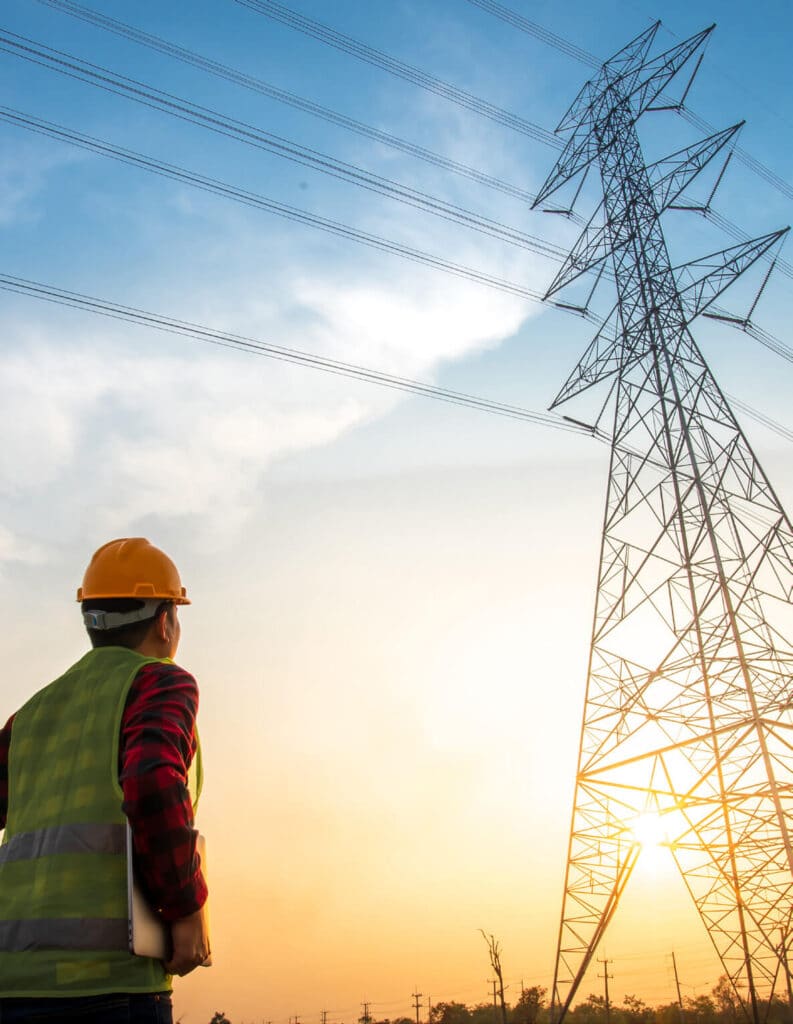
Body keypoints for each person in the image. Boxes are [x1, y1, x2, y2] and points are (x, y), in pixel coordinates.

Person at [0, 538, 209, 1023]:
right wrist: (185, 908)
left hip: (12, 986)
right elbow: (154, 781)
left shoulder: (31, 715)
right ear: (165, 621)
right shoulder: (159, 681)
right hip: (111, 986)